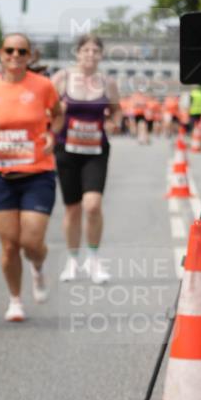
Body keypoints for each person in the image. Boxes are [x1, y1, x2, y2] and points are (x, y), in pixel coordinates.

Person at [0, 33, 62, 320]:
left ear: (29, 56)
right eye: (9, 50)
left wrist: (52, 134)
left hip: (37, 173)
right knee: (10, 245)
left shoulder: (43, 86)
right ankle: (15, 300)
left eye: (21, 51)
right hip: (1, 175)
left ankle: (38, 266)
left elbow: (58, 115)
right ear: (1, 54)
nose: (15, 56)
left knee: (32, 243)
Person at [51, 35, 121, 285]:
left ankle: (93, 258)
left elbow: (117, 111)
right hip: (67, 149)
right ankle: (72, 260)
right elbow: (46, 109)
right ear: (78, 53)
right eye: (86, 50)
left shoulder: (107, 82)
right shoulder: (62, 78)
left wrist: (114, 123)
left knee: (92, 205)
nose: (90, 54)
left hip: (96, 151)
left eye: (95, 51)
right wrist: (57, 115)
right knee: (72, 208)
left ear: (101, 55)